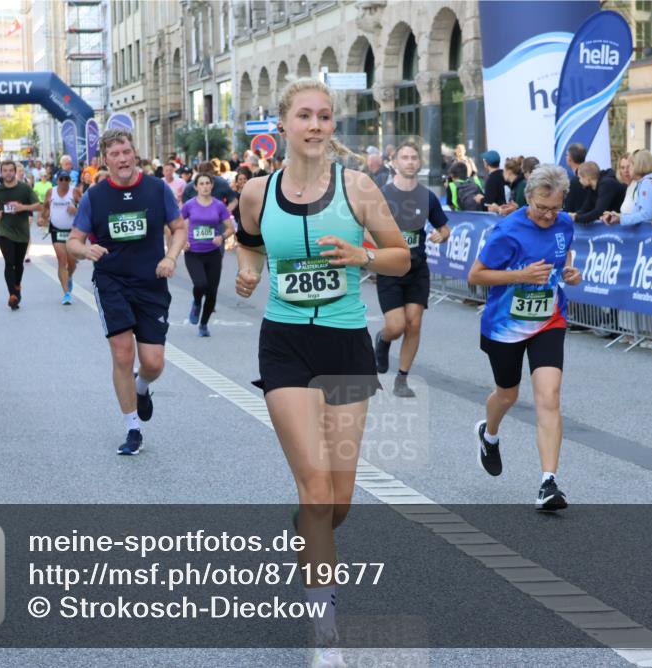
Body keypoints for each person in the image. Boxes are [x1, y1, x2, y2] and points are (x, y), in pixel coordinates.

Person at [234, 78, 409, 665]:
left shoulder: (357, 187)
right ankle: (325, 632)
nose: (315, 126)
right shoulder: (256, 192)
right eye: (304, 116)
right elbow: (251, 243)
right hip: (284, 343)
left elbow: (400, 255)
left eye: (325, 117)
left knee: (338, 500)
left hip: (345, 344)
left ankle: (311, 526)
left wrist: (364, 255)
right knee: (312, 485)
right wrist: (250, 271)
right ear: (282, 123)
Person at [467, 164, 582, 511]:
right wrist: (521, 274)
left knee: (549, 397)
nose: (548, 215)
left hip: (549, 320)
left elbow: (565, 256)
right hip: (505, 325)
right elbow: (477, 275)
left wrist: (570, 273)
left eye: (555, 208)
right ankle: (488, 433)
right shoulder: (507, 231)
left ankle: (548, 483)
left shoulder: (565, 224)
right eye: (541, 208)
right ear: (528, 197)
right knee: (507, 393)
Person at [67, 129, 186, 455]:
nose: (122, 159)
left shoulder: (157, 188)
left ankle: (142, 386)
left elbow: (178, 229)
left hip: (151, 282)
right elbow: (73, 240)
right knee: (122, 352)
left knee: (154, 362)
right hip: (112, 282)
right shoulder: (95, 196)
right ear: (105, 159)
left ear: (135, 153)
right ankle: (132, 428)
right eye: (115, 154)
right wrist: (84, 251)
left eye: (126, 152)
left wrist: (170, 256)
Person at [373, 140, 451, 397]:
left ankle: (402, 379)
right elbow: (366, 226)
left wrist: (442, 236)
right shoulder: (382, 195)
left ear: (419, 163)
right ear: (394, 162)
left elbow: (444, 228)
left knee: (414, 323)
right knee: (396, 326)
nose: (410, 162)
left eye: (414, 158)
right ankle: (383, 340)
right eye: (404, 157)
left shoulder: (426, 197)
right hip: (390, 268)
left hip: (417, 268)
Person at [181, 173, 235, 337]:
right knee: (200, 284)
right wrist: (183, 241)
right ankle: (197, 303)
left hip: (213, 253)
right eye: (201, 184)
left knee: (212, 291)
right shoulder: (189, 205)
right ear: (196, 187)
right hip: (193, 253)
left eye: (207, 183)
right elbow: (178, 226)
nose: (205, 186)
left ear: (212, 186)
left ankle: (203, 324)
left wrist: (222, 237)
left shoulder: (219, 206)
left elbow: (230, 228)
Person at [0, 160, 43, 309]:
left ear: (15, 171)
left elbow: (39, 205)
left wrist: (23, 207)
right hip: (4, 231)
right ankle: (12, 294)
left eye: (10, 170)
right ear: (1, 172)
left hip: (22, 232)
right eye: (4, 170)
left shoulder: (24, 189)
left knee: (18, 265)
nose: (8, 173)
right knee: (9, 262)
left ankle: (17, 286)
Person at [39, 169, 79, 304]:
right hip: (56, 230)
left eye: (66, 179)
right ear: (57, 180)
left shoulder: (75, 192)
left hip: (72, 231)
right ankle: (66, 293)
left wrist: (75, 211)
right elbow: (45, 207)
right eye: (61, 179)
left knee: (71, 263)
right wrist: (42, 218)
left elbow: (86, 209)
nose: (63, 182)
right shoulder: (51, 192)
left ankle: (70, 276)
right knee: (62, 260)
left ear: (69, 180)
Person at [601, 149, 652, 227]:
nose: (627, 170)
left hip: (651, 233)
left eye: (630, 165)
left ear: (637, 166)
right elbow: (638, 213)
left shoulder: (647, 183)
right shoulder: (646, 182)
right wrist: (619, 216)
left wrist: (621, 219)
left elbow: (647, 215)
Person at [478, 150, 510, 214]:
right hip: (509, 212)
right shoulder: (505, 175)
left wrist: (480, 199)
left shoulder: (491, 180)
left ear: (486, 163)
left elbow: (488, 204)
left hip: (498, 216)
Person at [563, 143, 589, 212]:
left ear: (569, 158)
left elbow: (568, 207)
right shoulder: (591, 175)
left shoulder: (574, 181)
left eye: (566, 155)